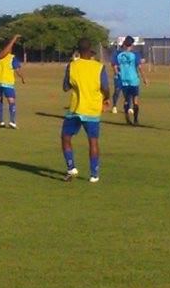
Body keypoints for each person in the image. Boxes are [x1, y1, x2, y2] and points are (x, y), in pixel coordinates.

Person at [61, 38, 109, 182]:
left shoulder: (72, 66)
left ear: (78, 51)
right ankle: (94, 175)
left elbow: (65, 87)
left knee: (65, 138)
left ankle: (71, 168)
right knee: (93, 141)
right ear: (91, 51)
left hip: (76, 109)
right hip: (92, 110)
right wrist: (106, 99)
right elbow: (105, 88)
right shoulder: (99, 67)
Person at [0, 35, 22, 127]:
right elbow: (17, 69)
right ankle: (12, 121)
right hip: (7, 83)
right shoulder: (12, 58)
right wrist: (22, 77)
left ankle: (1, 121)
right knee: (11, 101)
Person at [111, 36, 143, 125]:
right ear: (132, 45)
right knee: (135, 100)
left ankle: (127, 119)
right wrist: (144, 78)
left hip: (123, 80)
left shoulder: (118, 54)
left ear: (124, 44)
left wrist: (117, 74)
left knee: (126, 99)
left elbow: (114, 66)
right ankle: (136, 120)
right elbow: (139, 67)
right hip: (134, 80)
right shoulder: (135, 54)